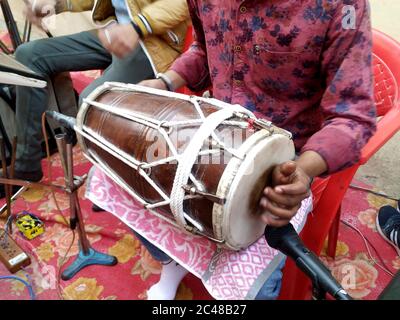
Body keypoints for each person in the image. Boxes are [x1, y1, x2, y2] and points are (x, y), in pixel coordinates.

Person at [88, 0, 377, 300]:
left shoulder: (343, 6)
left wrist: (302, 171)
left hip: (288, 155)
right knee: (120, 176)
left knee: (253, 285)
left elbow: (352, 116)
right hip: (214, 126)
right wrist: (166, 82)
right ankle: (171, 262)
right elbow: (204, 49)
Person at [0, 0, 190, 197]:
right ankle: (26, 164)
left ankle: (121, 186)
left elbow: (184, 4)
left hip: (153, 43)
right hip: (116, 31)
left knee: (90, 103)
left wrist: (136, 27)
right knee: (29, 55)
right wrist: (57, 5)